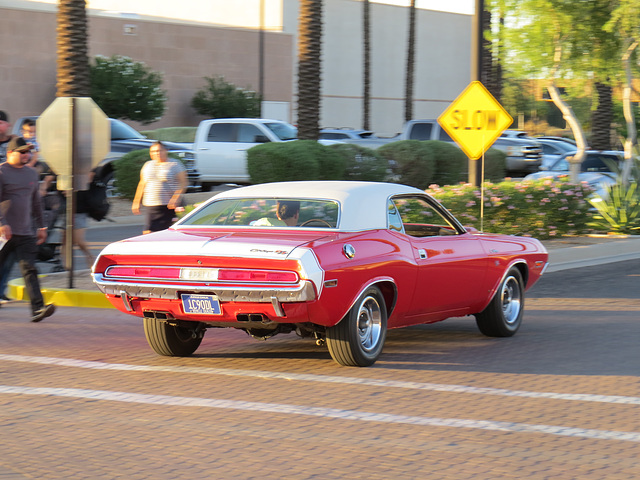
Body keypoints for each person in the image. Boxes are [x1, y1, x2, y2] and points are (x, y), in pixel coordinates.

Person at [0, 137, 55, 322]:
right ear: (10, 153)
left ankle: (38, 309)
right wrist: (2, 222)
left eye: (28, 152)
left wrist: (41, 226)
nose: (26, 155)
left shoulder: (31, 173)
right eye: (22, 152)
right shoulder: (1, 172)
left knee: (30, 269)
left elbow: (36, 202)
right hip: (3, 233)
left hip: (25, 232)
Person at [132, 141, 187, 234]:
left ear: (166, 151)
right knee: (148, 232)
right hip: (151, 205)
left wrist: (176, 198)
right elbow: (142, 183)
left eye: (159, 150)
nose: (157, 153)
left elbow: (183, 182)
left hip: (169, 206)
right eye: (153, 151)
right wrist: (136, 202)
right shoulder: (147, 165)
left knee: (167, 233)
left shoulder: (175, 164)